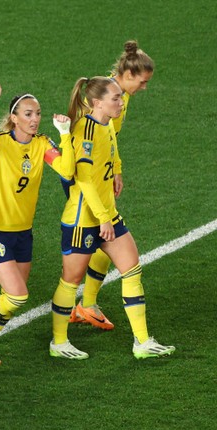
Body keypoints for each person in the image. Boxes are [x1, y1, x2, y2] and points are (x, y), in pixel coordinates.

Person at [49, 76, 175, 360]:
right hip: (84, 219)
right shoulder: (84, 130)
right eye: (115, 98)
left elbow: (113, 146)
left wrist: (117, 169)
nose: (121, 102)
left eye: (120, 97)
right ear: (97, 103)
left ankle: (142, 342)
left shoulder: (105, 123)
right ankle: (58, 342)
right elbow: (84, 182)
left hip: (107, 213)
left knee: (132, 268)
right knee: (70, 281)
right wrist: (103, 218)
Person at [0, 85, 74, 366]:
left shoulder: (41, 144)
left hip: (23, 233)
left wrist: (65, 135)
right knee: (16, 295)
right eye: (28, 114)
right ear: (14, 118)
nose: (34, 118)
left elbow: (66, 169)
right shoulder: (0, 142)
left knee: (14, 298)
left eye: (37, 113)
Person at [69, 40, 155, 330]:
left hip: (101, 173)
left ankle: (87, 305)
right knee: (100, 232)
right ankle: (73, 310)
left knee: (106, 241)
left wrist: (115, 169)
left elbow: (110, 139)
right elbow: (84, 144)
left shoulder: (119, 97)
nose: (144, 88)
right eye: (142, 82)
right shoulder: (102, 96)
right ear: (128, 75)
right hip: (83, 176)